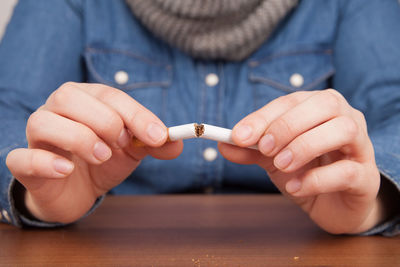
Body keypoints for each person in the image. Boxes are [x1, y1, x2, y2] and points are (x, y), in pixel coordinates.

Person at [0, 0, 399, 236]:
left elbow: (394, 111)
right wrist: (36, 195)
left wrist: (372, 197)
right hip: (109, 239)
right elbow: (7, 109)